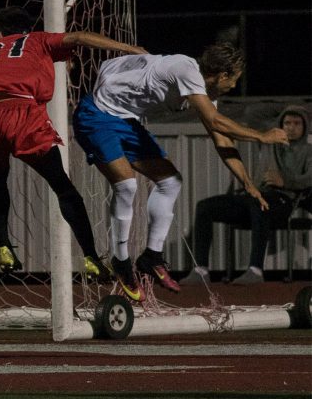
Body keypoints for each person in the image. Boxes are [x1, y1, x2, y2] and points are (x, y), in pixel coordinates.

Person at [72, 42, 289, 302]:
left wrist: (247, 182)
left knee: (170, 181)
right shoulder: (186, 69)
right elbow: (216, 121)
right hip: (96, 114)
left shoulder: (201, 92)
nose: (233, 87)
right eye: (234, 80)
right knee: (127, 185)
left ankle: (151, 256)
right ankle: (121, 260)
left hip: (124, 119)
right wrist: (261, 136)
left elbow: (222, 140)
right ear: (222, 75)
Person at [0, 6, 147, 279]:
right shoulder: (35, 39)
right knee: (63, 187)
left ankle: (3, 245)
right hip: (21, 113)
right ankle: (91, 258)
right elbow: (80, 37)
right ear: (26, 30)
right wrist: (129, 49)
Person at [184, 105, 311, 285]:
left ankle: (255, 270)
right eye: (287, 122)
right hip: (254, 196)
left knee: (260, 203)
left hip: (283, 201)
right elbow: (253, 113)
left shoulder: (308, 151)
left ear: (305, 126)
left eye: (297, 123)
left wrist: (285, 181)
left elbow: (309, 179)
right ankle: (200, 270)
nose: (291, 127)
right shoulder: (270, 142)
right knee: (205, 207)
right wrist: (283, 108)